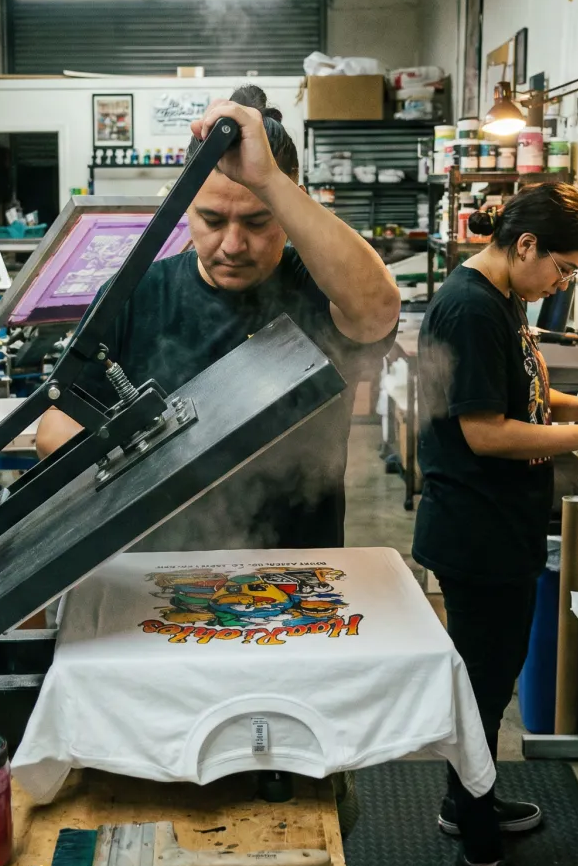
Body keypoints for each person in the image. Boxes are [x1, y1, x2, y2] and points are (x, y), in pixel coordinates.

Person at [413, 182, 578, 866]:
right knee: (480, 694)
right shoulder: (470, 307)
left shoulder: (503, 297)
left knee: (490, 679)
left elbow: (526, 391)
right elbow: (485, 431)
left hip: (499, 525)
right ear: (524, 247)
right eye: (565, 268)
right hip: (475, 532)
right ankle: (480, 858)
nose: (564, 282)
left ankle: (464, 802)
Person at [35, 85, 401, 550]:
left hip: (295, 573)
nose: (231, 245)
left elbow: (377, 311)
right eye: (211, 219)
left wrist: (270, 179)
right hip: (157, 570)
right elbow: (55, 429)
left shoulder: (320, 289)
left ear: (291, 204)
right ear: (184, 203)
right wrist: (159, 479)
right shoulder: (136, 294)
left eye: (257, 221)